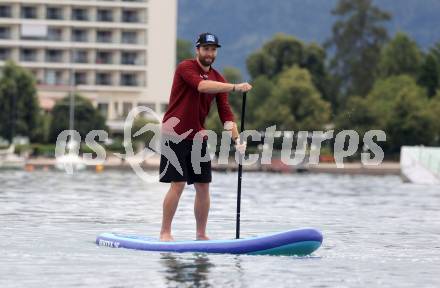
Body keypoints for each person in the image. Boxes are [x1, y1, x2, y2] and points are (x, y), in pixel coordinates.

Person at [159, 32, 252, 241]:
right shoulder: (186, 67)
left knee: (203, 185)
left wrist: (238, 140)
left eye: (213, 50)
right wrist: (235, 87)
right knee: (179, 183)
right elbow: (201, 86)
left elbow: (226, 114)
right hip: (174, 134)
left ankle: (201, 235)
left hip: (197, 137)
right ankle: (165, 232)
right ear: (198, 50)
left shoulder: (219, 79)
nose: (209, 53)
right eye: (206, 49)